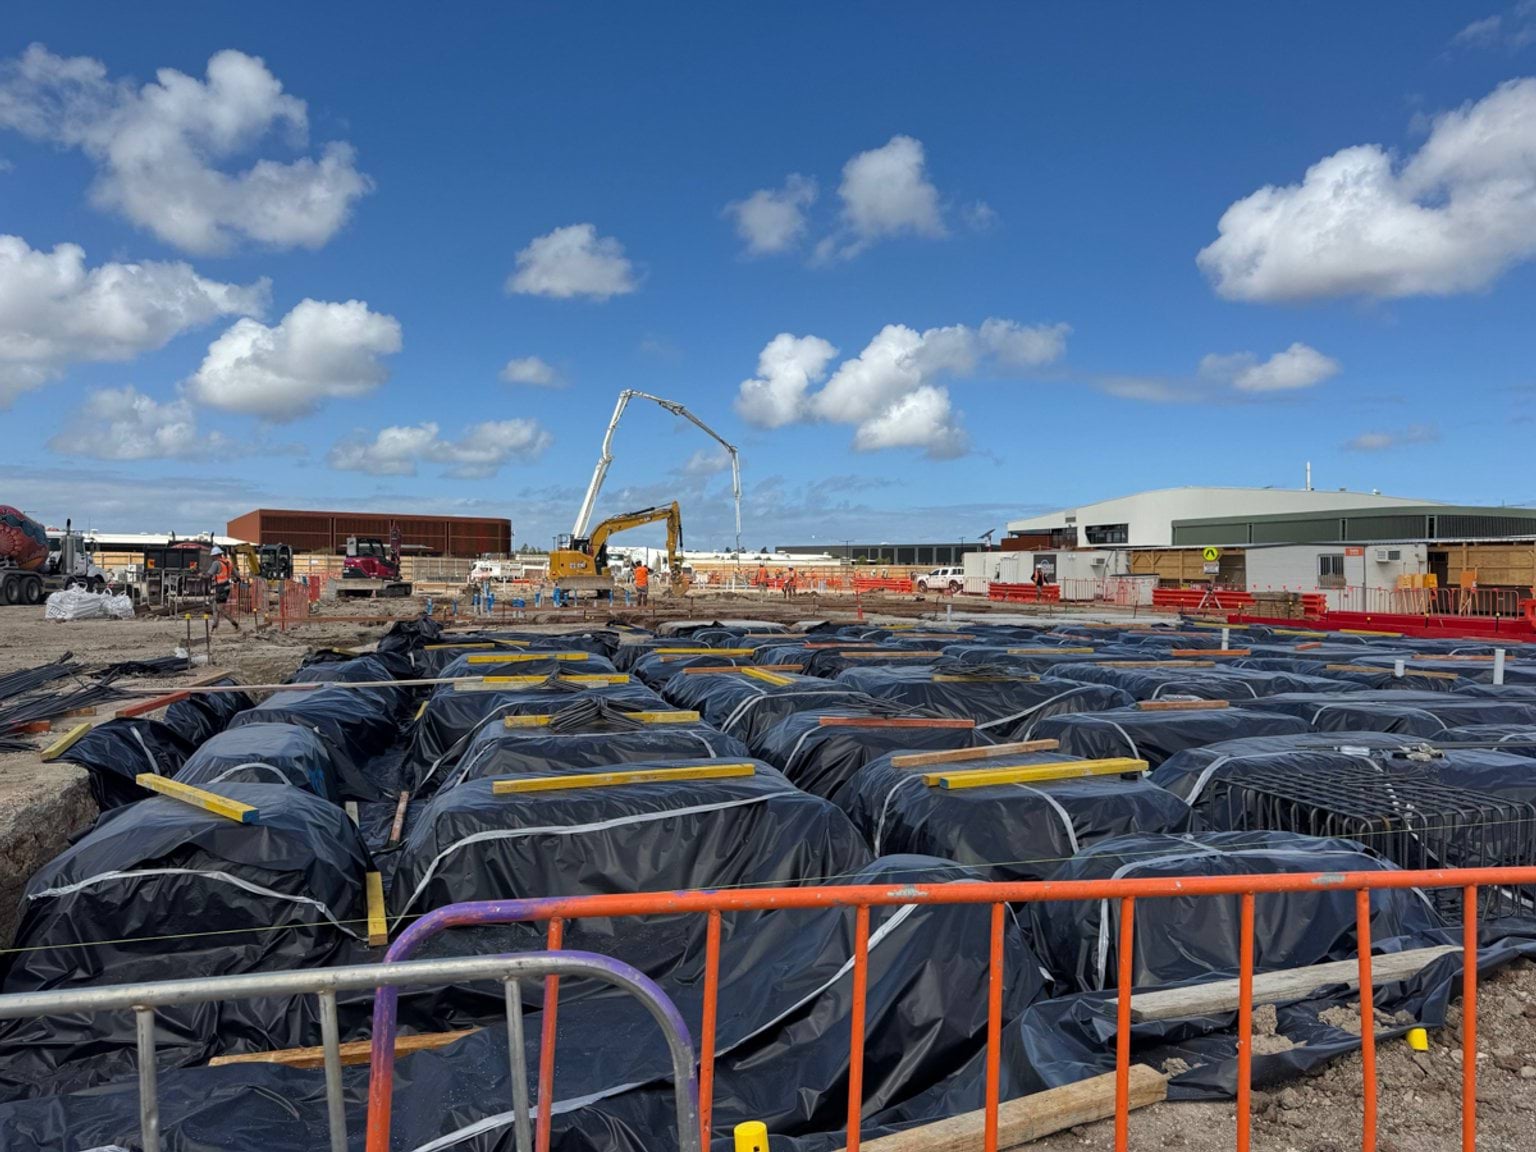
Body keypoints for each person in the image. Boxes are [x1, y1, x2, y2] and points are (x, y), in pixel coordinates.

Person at [208, 545, 240, 631]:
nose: (212, 557)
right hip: (226, 586)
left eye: (212, 556)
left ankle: (234, 623)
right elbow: (237, 575)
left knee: (220, 608)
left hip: (221, 587)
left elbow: (209, 574)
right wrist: (237, 579)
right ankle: (215, 625)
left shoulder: (216, 563)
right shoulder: (228, 562)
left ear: (215, 555)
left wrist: (200, 575)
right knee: (215, 606)